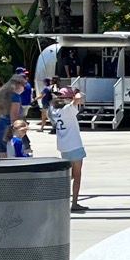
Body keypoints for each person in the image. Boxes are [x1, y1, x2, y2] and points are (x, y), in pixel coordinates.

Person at [49, 81, 91, 213]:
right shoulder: (68, 110)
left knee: (69, 176)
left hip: (63, 146)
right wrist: (76, 92)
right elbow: (78, 98)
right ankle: (74, 203)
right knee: (77, 176)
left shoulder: (54, 110)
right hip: (74, 145)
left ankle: (60, 198)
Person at [0, 70, 29, 159]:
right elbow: (14, 118)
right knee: (16, 155)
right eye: (23, 85)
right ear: (18, 85)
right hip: (11, 130)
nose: (24, 88)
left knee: (3, 156)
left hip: (0, 127)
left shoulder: (2, 95)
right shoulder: (15, 97)